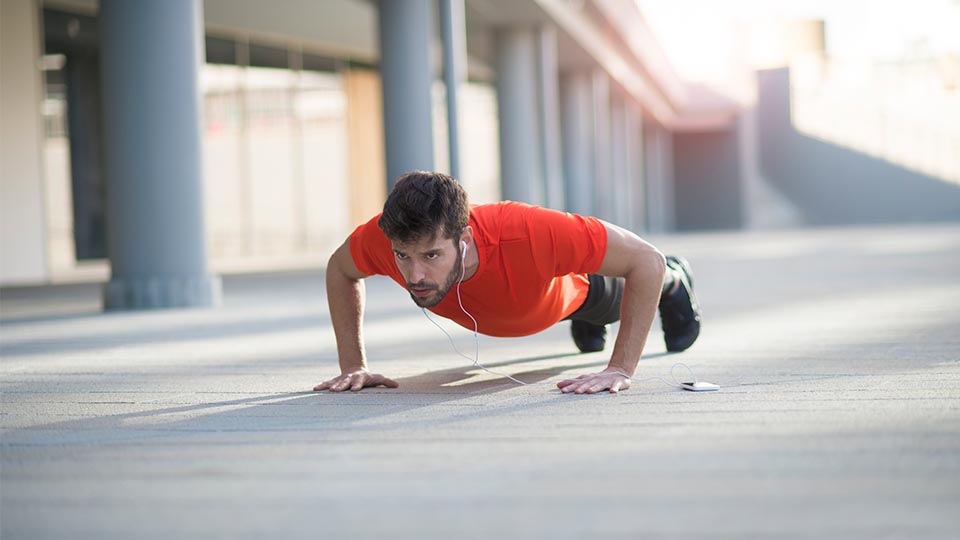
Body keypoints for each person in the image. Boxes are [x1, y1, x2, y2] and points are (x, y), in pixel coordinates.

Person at [314, 171, 701, 395]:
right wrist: (354, 366)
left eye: (431, 256)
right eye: (403, 257)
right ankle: (588, 325)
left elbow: (644, 261)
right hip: (522, 303)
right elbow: (339, 269)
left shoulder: (529, 231)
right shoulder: (388, 239)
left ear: (463, 239)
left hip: (577, 293)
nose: (413, 276)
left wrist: (620, 368)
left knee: (631, 287)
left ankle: (677, 279)